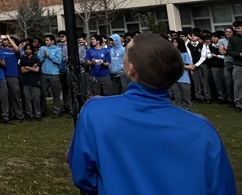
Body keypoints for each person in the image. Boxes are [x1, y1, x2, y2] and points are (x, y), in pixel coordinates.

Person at [68, 32, 236, 195]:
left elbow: (84, 177)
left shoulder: (96, 113)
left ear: (131, 69)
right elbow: (222, 188)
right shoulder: (202, 129)